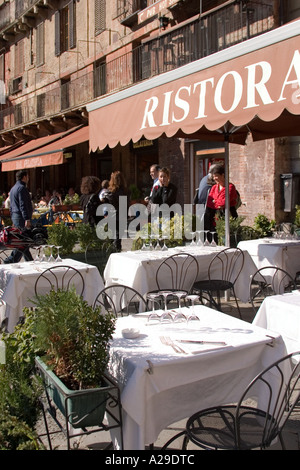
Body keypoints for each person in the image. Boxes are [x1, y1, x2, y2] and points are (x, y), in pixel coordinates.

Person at [4, 169, 33, 263]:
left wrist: (13, 218)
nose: (28, 178)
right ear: (24, 177)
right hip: (21, 217)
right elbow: (23, 205)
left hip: (16, 216)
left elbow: (11, 206)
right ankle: (11, 260)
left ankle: (29, 261)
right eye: (27, 176)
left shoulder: (13, 189)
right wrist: (27, 218)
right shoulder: (21, 188)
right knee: (22, 241)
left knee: (22, 241)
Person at [204, 164, 238, 234]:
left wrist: (214, 201)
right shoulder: (214, 187)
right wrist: (216, 202)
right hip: (214, 219)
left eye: (216, 176)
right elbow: (209, 203)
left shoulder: (230, 187)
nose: (215, 178)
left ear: (222, 175)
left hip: (228, 217)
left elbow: (223, 202)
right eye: (213, 176)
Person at [103, 171, 127, 252]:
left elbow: (105, 204)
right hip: (121, 216)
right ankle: (117, 251)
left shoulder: (109, 192)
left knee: (112, 236)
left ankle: (111, 252)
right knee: (118, 236)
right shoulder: (124, 191)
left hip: (111, 216)